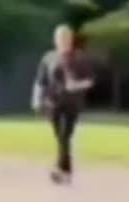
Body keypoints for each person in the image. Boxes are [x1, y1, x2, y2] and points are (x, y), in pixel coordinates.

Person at [32, 24, 95, 185]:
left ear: (71, 39)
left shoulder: (80, 58)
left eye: (66, 37)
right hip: (53, 103)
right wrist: (37, 99)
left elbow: (90, 81)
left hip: (71, 104)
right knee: (60, 137)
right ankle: (65, 171)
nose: (64, 40)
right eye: (60, 37)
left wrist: (77, 85)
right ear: (55, 39)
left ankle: (60, 170)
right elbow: (41, 81)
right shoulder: (49, 57)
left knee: (65, 136)